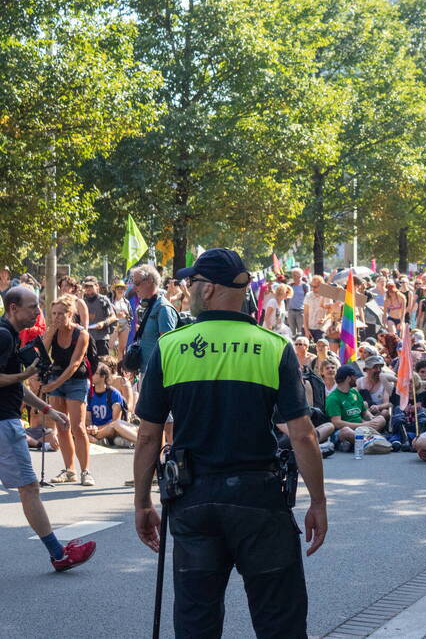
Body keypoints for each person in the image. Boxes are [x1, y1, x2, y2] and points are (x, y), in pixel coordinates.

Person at [132, 248, 327, 638]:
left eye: (191, 283)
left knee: (196, 623)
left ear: (209, 290)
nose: (185, 290)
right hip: (260, 500)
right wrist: (318, 502)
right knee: (280, 622)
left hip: (193, 500)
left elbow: (148, 435)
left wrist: (142, 503)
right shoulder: (273, 346)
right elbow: (303, 434)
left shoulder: (172, 346)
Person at [0, 286, 95, 571]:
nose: (38, 311)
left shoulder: (10, 334)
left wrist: (47, 409)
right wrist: (26, 373)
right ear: (13, 308)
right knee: (29, 488)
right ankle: (58, 553)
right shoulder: (4, 335)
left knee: (28, 488)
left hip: (6, 419)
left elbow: (14, 384)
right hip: (4, 423)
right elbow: (11, 378)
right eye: (32, 306)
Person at [41, 294, 94, 486]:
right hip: (56, 377)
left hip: (76, 380)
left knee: (78, 426)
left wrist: (53, 385)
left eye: (61, 314)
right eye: (54, 313)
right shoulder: (53, 331)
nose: (56, 317)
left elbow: (74, 364)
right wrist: (50, 333)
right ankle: (69, 469)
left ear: (70, 314)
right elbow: (43, 353)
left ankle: (85, 471)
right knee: (62, 425)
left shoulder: (81, 334)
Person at [326, 364, 387, 448]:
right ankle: (373, 442)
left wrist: (372, 419)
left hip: (362, 428)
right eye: (355, 377)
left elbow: (365, 412)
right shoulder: (333, 398)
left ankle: (365, 441)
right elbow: (337, 423)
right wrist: (366, 425)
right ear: (348, 379)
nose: (357, 379)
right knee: (346, 431)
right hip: (344, 430)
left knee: (381, 419)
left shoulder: (354, 392)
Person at [85, 363, 138, 447]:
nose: (91, 375)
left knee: (114, 426)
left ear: (103, 376)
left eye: (95, 373)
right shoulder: (88, 393)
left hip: (110, 429)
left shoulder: (113, 394)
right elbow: (88, 419)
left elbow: (115, 421)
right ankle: (99, 440)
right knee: (76, 429)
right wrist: (90, 428)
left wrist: (96, 429)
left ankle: (96, 440)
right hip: (94, 430)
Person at [82, 277, 116, 357]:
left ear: (97, 286)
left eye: (91, 286)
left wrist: (104, 323)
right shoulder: (82, 301)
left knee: (103, 363)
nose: (88, 289)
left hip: (101, 338)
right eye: (86, 286)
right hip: (86, 338)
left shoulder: (103, 300)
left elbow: (113, 316)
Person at [303, 274, 332, 340]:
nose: (313, 288)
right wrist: (306, 330)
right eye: (311, 286)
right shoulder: (308, 295)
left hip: (321, 329)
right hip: (309, 328)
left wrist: (324, 319)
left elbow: (331, 313)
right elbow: (305, 314)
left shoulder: (327, 296)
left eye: (315, 286)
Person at [286, 268, 309, 337]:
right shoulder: (290, 286)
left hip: (301, 312)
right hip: (291, 311)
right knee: (291, 332)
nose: (294, 277)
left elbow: (308, 299)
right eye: (293, 275)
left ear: (300, 276)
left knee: (301, 332)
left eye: (296, 275)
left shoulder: (305, 286)